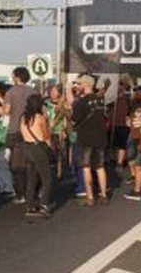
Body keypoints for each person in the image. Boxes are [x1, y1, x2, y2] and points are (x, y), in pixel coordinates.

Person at [71, 74, 110, 205]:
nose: (78, 87)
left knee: (86, 167)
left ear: (86, 85)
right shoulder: (100, 100)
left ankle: (90, 197)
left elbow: (74, 119)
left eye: (80, 84)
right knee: (100, 167)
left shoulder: (81, 102)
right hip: (100, 138)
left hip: (85, 139)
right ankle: (104, 195)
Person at [19, 93, 54, 217]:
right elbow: (45, 135)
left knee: (31, 179)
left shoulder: (23, 117)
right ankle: (44, 205)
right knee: (46, 178)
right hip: (38, 148)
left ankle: (30, 206)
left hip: (26, 148)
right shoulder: (40, 117)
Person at [4, 66, 35, 202]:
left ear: (17, 77)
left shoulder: (11, 92)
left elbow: (7, 111)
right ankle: (32, 191)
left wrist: (1, 109)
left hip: (15, 131)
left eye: (13, 75)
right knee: (30, 162)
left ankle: (20, 194)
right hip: (32, 131)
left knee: (16, 165)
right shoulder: (34, 92)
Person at [45, 84, 72, 180]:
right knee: (48, 152)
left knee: (60, 153)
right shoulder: (46, 103)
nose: (52, 93)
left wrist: (64, 130)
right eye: (51, 91)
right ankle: (48, 171)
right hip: (48, 131)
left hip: (59, 131)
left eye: (54, 91)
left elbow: (67, 118)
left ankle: (59, 172)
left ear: (59, 93)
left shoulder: (64, 103)